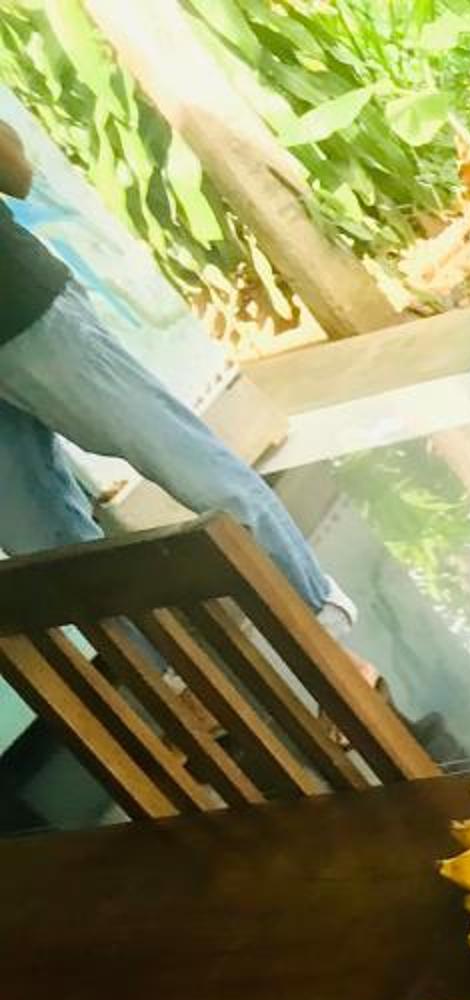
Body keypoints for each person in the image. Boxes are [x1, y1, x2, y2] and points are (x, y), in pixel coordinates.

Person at [0, 118, 352, 627]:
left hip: (28, 311)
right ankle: (150, 668)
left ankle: (321, 621)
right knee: (40, 544)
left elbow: (17, 175)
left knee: (185, 464)